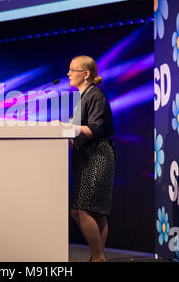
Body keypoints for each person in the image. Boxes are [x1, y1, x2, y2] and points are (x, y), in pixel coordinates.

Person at [68, 55, 116, 262]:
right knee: (96, 211)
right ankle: (97, 258)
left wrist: (68, 128)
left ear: (86, 74)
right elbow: (79, 133)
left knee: (80, 210)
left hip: (97, 156)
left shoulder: (95, 95)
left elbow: (96, 128)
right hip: (85, 156)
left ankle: (98, 257)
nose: (68, 73)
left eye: (72, 69)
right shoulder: (83, 96)